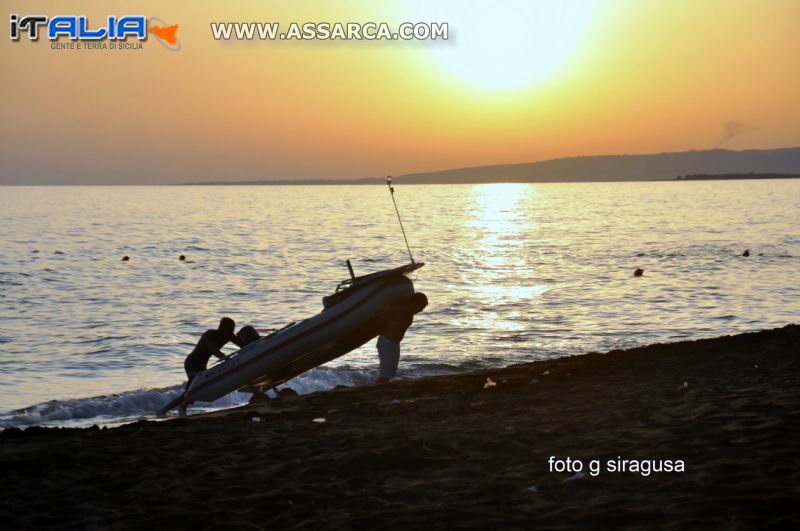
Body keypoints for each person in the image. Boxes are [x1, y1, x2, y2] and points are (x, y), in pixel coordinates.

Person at [376, 292, 428, 383]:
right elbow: (382, 318)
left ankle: (382, 389)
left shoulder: (410, 312)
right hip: (386, 343)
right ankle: (376, 390)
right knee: (385, 373)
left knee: (391, 372)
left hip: (395, 344)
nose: (421, 310)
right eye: (421, 307)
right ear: (414, 304)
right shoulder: (398, 309)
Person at [183, 317, 243, 390]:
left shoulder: (229, 335)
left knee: (198, 390)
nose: (232, 331)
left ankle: (185, 399)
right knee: (191, 392)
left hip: (202, 365)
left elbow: (241, 344)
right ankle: (179, 400)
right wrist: (225, 358)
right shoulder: (210, 335)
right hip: (191, 363)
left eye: (233, 329)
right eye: (230, 329)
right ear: (222, 328)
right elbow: (213, 349)